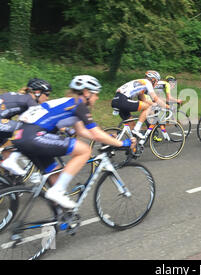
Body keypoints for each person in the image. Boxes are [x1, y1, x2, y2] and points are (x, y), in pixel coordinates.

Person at [12, 75, 136, 209]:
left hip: (21, 136)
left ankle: (59, 218)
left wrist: (108, 137)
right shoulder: (78, 104)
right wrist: (123, 144)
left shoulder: (69, 103)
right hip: (34, 136)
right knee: (84, 151)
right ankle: (57, 191)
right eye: (95, 94)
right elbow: (95, 133)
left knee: (56, 176)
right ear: (86, 93)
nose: (97, 97)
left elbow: (83, 131)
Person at [0, 78, 52, 176]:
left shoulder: (22, 97)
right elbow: (41, 119)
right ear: (37, 92)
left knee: (16, 133)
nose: (48, 98)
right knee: (23, 131)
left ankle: (6, 178)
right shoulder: (29, 100)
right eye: (47, 94)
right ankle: (8, 159)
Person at [111, 70, 169, 139]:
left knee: (131, 128)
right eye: (157, 81)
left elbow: (144, 100)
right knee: (148, 108)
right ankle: (137, 129)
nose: (156, 84)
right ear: (153, 79)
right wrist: (167, 106)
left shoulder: (140, 83)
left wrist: (155, 105)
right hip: (122, 100)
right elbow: (155, 98)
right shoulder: (147, 83)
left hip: (115, 100)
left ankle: (113, 140)